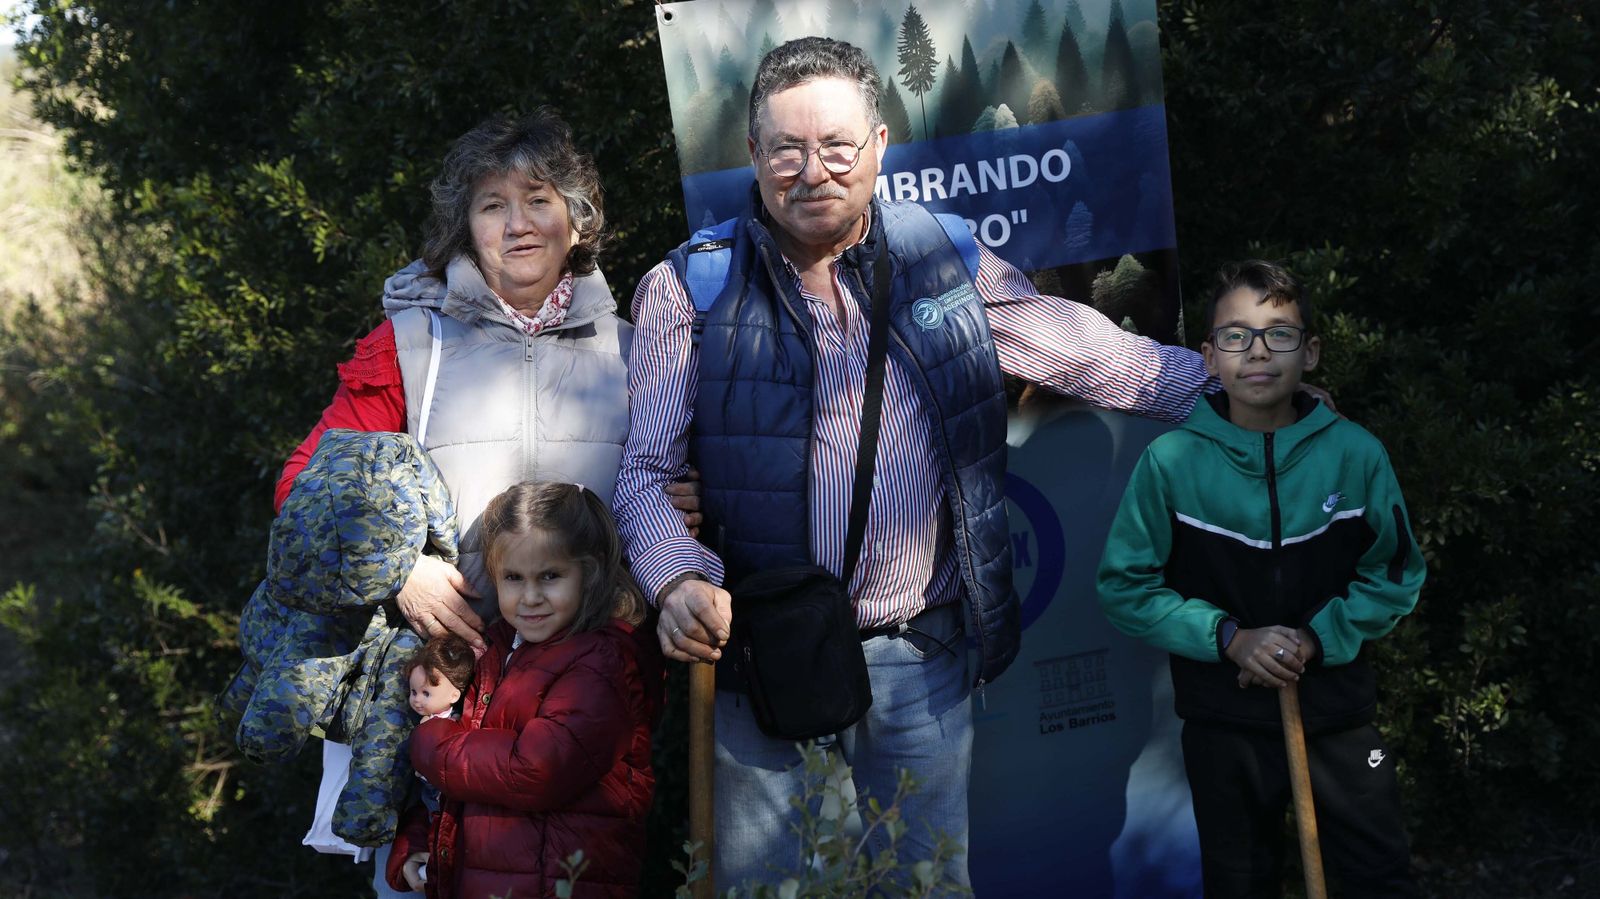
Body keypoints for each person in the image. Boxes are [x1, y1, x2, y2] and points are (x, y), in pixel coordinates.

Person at [613, 36, 1218, 888]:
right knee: (773, 887)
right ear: (752, 154)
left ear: (880, 146)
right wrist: (677, 579)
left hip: (917, 654)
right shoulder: (690, 289)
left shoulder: (945, 255)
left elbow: (1077, 346)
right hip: (762, 656)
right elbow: (643, 475)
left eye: (835, 147)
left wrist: (1230, 395)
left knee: (925, 880)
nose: (812, 170)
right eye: (786, 148)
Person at [275, 108, 695, 895]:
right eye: (492, 205)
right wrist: (401, 569)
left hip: (587, 706)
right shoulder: (407, 345)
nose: (518, 223)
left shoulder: (640, 351)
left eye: (538, 198)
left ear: (578, 217)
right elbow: (304, 486)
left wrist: (682, 506)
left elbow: (664, 487)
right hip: (446, 686)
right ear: (464, 228)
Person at [1097, 260, 1424, 897]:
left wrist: (1315, 640)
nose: (1257, 352)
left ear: (1312, 352)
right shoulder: (1171, 463)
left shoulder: (1355, 454)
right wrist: (1231, 639)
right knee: (1240, 881)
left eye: (1280, 333)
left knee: (1376, 875)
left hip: (1337, 714)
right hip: (1224, 723)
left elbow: (1395, 573)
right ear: (1209, 356)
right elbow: (1126, 587)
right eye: (1236, 335)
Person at [387, 481, 662, 899]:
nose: (531, 597)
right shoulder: (495, 650)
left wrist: (429, 746)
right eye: (513, 578)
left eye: (550, 576)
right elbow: (455, 784)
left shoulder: (602, 661)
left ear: (588, 574)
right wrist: (417, 844)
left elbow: (535, 769)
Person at [404, 636, 474, 722]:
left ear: (454, 696)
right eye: (413, 692)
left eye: (426, 694)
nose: (417, 699)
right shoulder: (423, 721)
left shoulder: (458, 717)